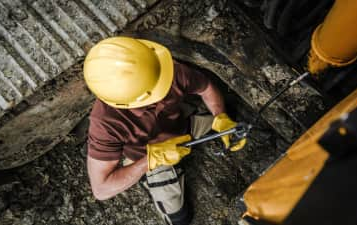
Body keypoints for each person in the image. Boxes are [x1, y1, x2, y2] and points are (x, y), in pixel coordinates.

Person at [83, 37, 246, 225]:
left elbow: (206, 88)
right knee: (180, 220)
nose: (164, 87)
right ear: (128, 101)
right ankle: (150, 178)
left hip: (182, 128)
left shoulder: (160, 70)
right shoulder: (105, 123)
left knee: (232, 118)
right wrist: (149, 161)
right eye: (155, 92)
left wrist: (220, 116)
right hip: (147, 156)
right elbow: (101, 189)